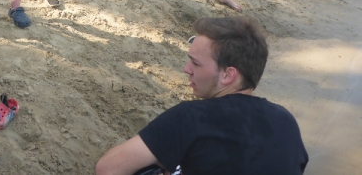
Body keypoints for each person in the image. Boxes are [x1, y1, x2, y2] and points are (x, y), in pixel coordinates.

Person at [95, 16, 308, 175]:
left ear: (228, 75)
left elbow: (107, 169)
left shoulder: (192, 117)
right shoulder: (286, 121)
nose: (186, 69)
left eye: (195, 63)